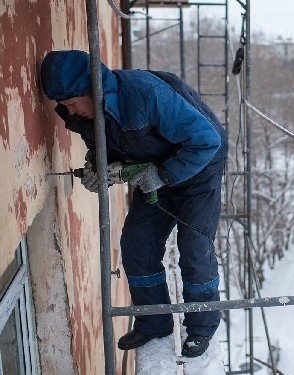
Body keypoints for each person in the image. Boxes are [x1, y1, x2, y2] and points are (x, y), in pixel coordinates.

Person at [40, 50, 228, 358]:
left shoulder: (145, 94)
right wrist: (98, 167)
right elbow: (107, 147)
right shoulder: (82, 112)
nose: (70, 111)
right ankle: (154, 322)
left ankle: (201, 327)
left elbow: (206, 140)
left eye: (73, 102)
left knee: (194, 245)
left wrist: (163, 174)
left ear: (93, 89)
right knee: (137, 242)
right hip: (152, 167)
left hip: (198, 167)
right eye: (63, 105)